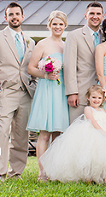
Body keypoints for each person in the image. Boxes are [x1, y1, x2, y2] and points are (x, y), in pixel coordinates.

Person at [40, 85, 106, 184]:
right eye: (94, 97)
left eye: (99, 98)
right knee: (89, 156)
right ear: (88, 98)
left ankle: (101, 176)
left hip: (104, 131)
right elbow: (92, 121)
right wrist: (101, 131)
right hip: (91, 132)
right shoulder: (88, 109)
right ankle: (88, 177)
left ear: (103, 99)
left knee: (103, 156)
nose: (96, 100)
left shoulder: (102, 109)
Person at [0, 2, 37, 181]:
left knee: (21, 136)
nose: (14, 17)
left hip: (25, 94)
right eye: (11, 14)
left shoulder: (30, 41)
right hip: (5, 92)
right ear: (5, 18)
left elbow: (32, 67)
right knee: (1, 133)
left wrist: (34, 88)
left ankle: (16, 173)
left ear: (23, 17)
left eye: (17, 14)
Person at [26, 10, 70, 181]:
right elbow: (31, 68)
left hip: (61, 91)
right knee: (44, 133)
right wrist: (45, 75)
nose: (57, 27)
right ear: (49, 25)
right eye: (54, 24)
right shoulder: (42, 45)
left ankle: (55, 171)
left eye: (61, 24)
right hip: (47, 90)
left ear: (65, 26)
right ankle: (42, 172)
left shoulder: (67, 46)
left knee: (58, 134)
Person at [64, 2, 104, 123]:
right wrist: (72, 92)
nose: (95, 16)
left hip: (102, 94)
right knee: (78, 132)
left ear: (103, 16)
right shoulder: (74, 35)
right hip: (81, 93)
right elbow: (69, 65)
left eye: (98, 14)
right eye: (91, 13)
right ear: (85, 15)